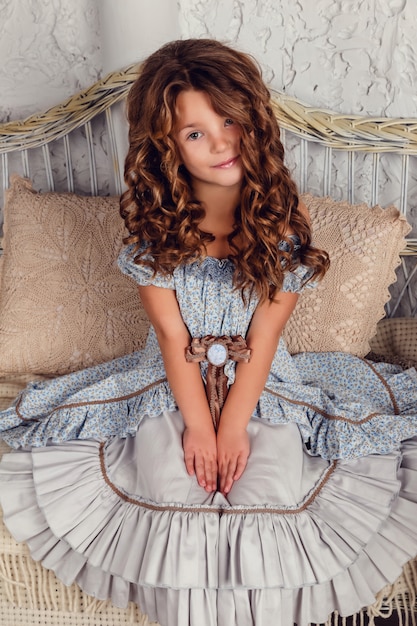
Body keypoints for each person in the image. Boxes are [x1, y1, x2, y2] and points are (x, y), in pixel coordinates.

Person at [0, 38, 417, 626]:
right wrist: (201, 429)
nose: (220, 142)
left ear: (252, 119)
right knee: (172, 481)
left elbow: (267, 338)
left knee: (267, 485)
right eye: (195, 133)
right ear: (167, 149)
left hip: (264, 383)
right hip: (168, 385)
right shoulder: (155, 233)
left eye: (228, 119)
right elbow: (173, 340)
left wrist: (235, 429)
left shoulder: (278, 228)